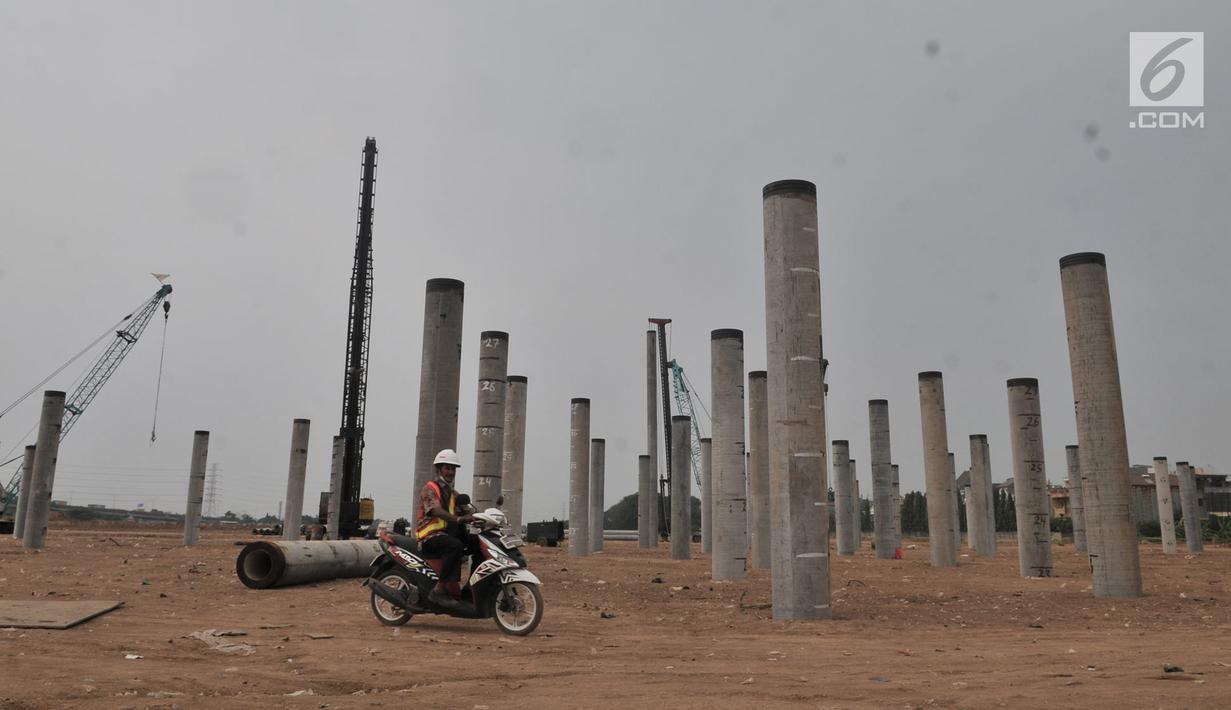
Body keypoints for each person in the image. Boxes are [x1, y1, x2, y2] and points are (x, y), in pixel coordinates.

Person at [415, 449, 475, 609]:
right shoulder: (430, 488)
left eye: (453, 469)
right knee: (455, 545)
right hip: (429, 537)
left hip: (445, 535)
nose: (450, 472)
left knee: (476, 543)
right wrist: (458, 518)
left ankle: (472, 586)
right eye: (447, 468)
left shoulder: (453, 493)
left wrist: (479, 518)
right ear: (439, 469)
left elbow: (467, 509)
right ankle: (439, 590)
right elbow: (435, 510)